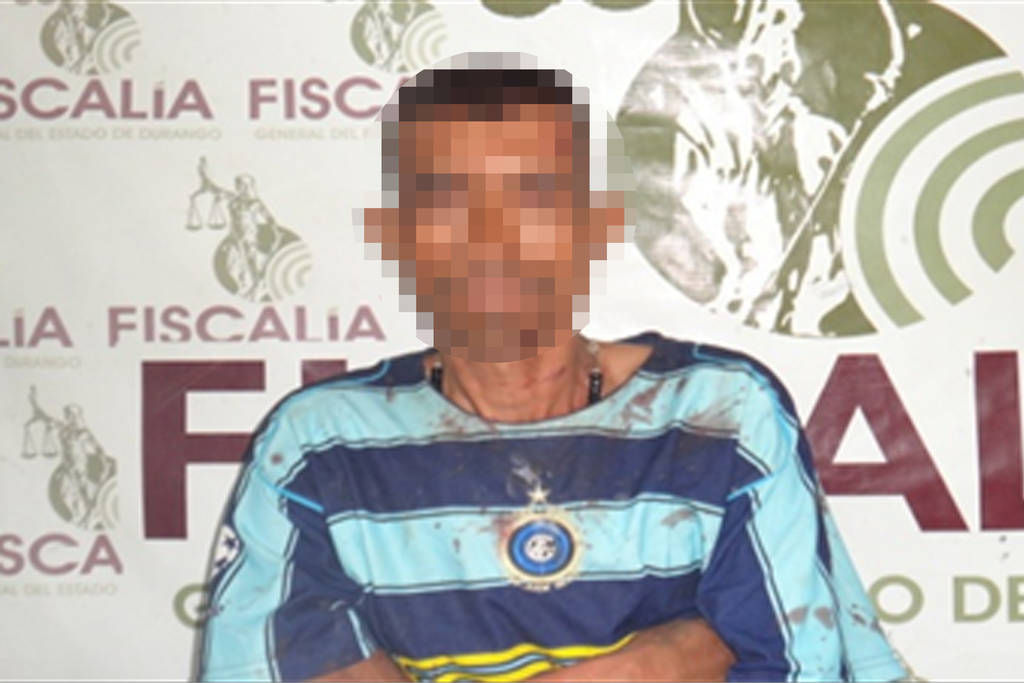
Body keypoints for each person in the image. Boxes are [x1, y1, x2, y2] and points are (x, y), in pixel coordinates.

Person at [197, 53, 907, 682]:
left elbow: (797, 665)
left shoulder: (717, 417)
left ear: (597, 226)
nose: (492, 235)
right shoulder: (319, 449)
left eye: (533, 195)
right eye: (448, 198)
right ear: (396, 236)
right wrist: (658, 661)